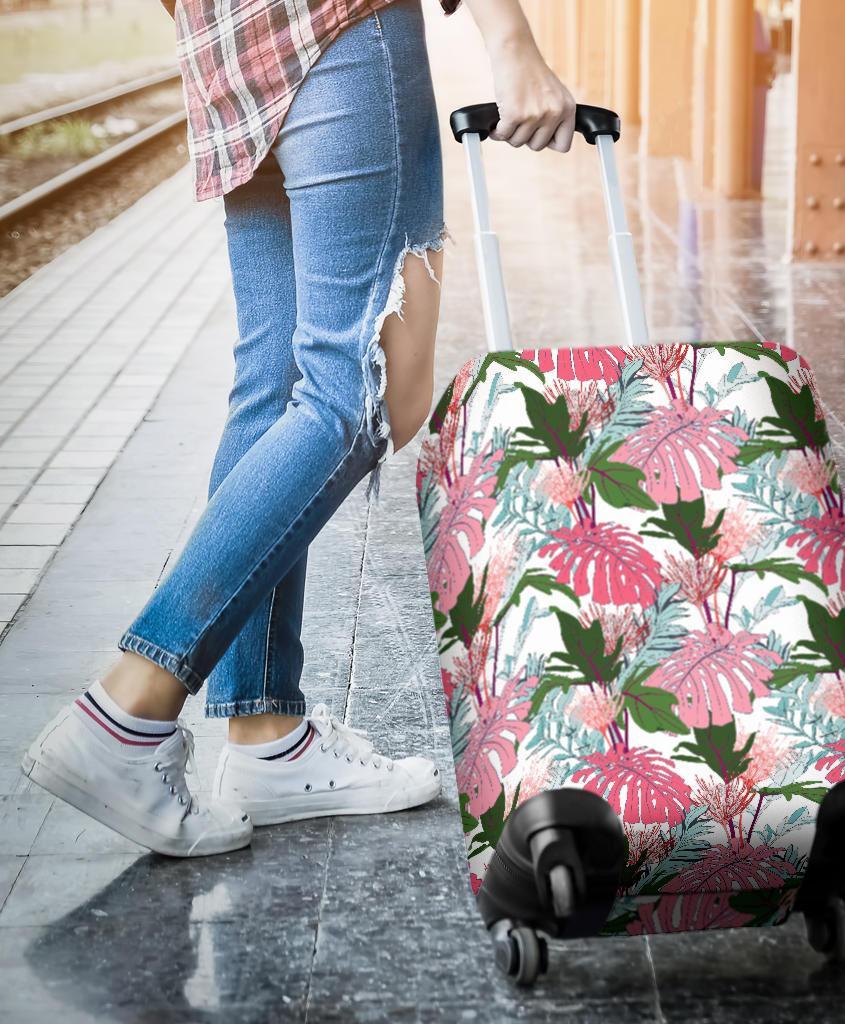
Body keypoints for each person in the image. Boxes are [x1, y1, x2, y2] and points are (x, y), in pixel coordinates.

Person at [22, 0, 576, 857]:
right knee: (358, 390)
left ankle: (265, 735)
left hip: (228, 51)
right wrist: (512, 43)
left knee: (276, 383)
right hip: (341, 27)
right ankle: (128, 710)